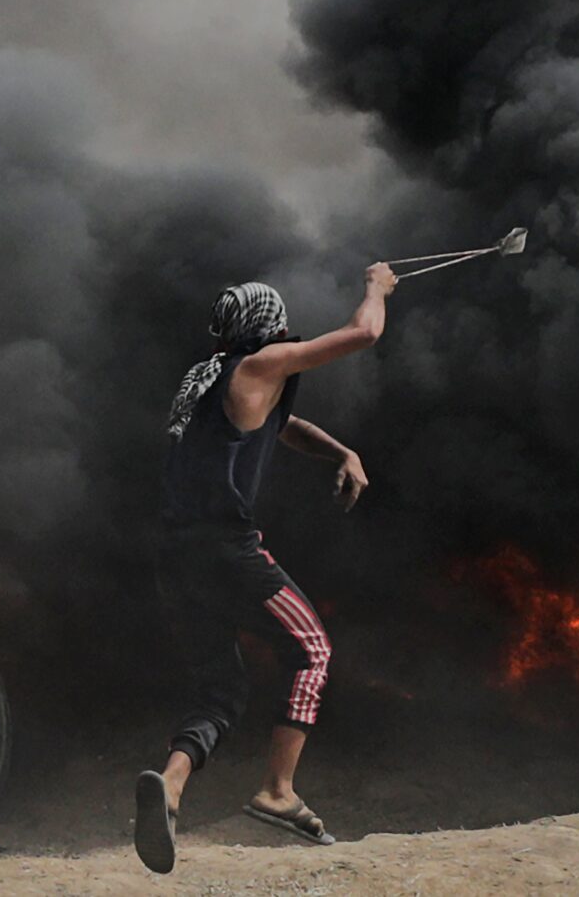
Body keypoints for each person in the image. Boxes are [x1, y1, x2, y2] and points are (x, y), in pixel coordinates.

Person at [133, 263, 398, 874]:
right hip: (228, 552)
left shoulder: (217, 377)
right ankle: (277, 792)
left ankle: (169, 786)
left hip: (175, 556)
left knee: (218, 690)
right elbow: (363, 335)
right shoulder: (259, 366)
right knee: (313, 650)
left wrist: (341, 450)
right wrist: (376, 289)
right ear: (266, 328)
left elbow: (284, 426)